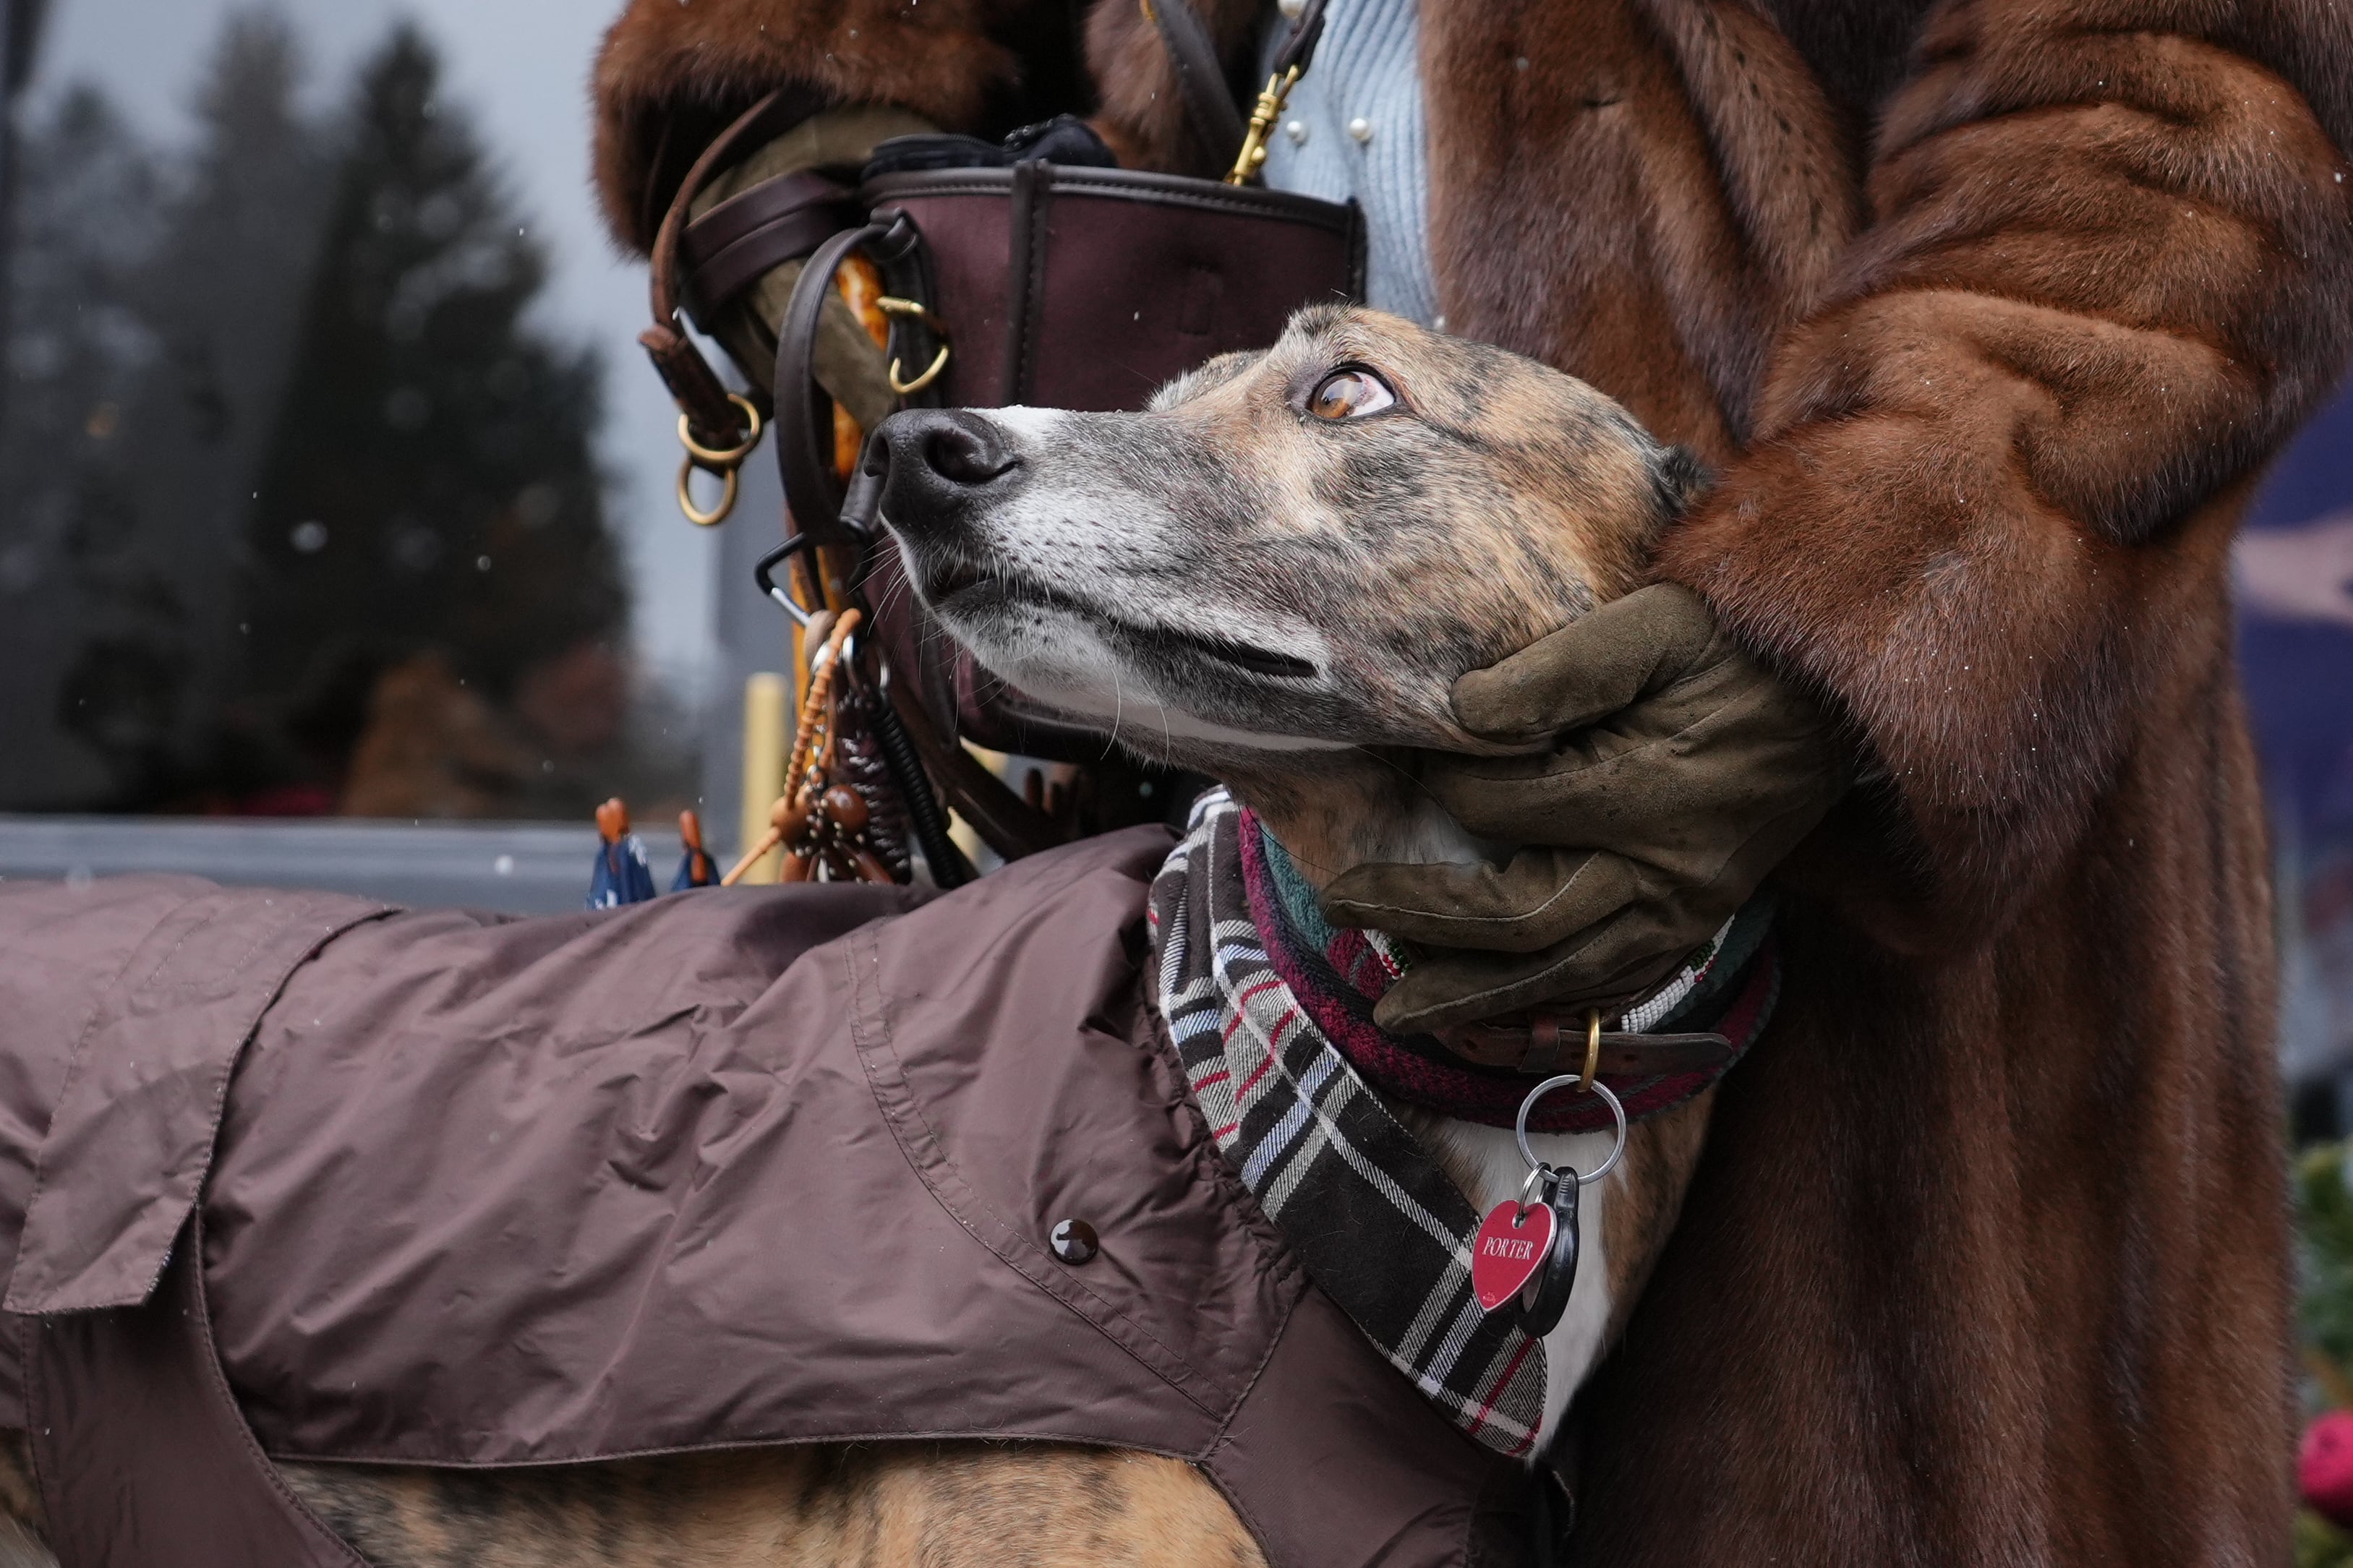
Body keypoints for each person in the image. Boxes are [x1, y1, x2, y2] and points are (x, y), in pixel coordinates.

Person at [591, 1, 2353, 1559]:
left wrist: (1855, 609)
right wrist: (812, 137)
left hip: (1857, 915)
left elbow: (2181, 113)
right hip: (1226, 926)